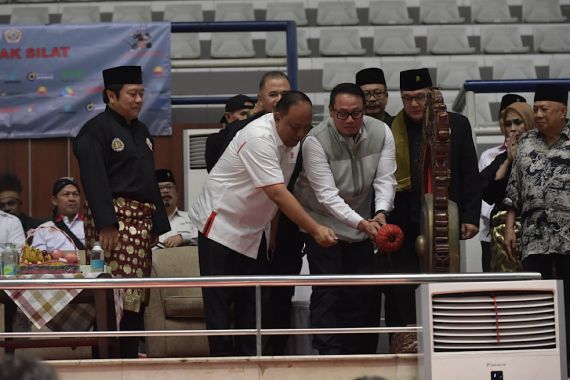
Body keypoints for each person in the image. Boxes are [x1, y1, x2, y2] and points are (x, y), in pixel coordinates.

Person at [189, 91, 338, 357]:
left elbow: (277, 201)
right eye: (295, 127)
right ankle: (224, 370)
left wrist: (273, 237)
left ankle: (253, 366)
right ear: (277, 117)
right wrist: (315, 229)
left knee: (256, 305)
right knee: (220, 307)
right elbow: (278, 192)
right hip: (220, 226)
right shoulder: (258, 136)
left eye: (306, 128)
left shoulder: (293, 143)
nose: (300, 134)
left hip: (255, 232)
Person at [73, 65, 170, 358]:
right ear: (110, 96)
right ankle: (106, 363)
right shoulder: (95, 130)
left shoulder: (141, 131)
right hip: (112, 223)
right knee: (111, 296)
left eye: (141, 93)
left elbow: (148, 181)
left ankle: (129, 359)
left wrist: (158, 224)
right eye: (132, 94)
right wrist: (106, 224)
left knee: (136, 297)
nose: (139, 100)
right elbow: (94, 180)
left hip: (140, 225)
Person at [294, 83, 397, 355]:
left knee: (362, 293)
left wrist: (382, 212)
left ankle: (361, 356)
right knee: (328, 292)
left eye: (356, 113)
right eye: (342, 114)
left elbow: (386, 179)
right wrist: (363, 223)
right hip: (322, 223)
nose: (350, 120)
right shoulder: (314, 141)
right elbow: (327, 196)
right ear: (330, 111)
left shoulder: (382, 131)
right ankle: (329, 357)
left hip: (364, 223)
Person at [386, 68, 481, 349]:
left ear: (432, 95)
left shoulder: (457, 124)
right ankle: (406, 341)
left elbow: (469, 174)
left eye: (421, 97)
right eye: (408, 98)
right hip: (403, 221)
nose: (415, 104)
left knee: (444, 283)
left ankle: (444, 340)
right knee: (402, 286)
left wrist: (470, 216)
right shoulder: (393, 127)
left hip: (444, 219)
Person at [504, 84, 569, 373]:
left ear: (562, 112)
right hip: (534, 236)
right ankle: (543, 368)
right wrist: (509, 227)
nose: (538, 114)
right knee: (539, 306)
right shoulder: (527, 142)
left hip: (569, 237)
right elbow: (514, 190)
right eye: (536, 108)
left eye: (545, 109)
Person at [480, 102, 534, 272]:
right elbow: (489, 193)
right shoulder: (501, 158)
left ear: (529, 123)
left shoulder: (541, 153)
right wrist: (509, 161)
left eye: (518, 122)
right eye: (508, 124)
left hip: (534, 230)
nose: (513, 128)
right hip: (503, 235)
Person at [205, 71, 291, 172]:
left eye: (285, 94)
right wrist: (253, 113)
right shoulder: (246, 129)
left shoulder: (299, 127)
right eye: (273, 94)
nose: (279, 99)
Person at [31, 177, 85, 252]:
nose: (72, 198)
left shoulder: (90, 227)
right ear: (54, 200)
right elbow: (38, 259)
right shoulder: (43, 229)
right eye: (66, 194)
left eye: (75, 194)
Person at [154, 169, 198, 248]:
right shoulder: (149, 221)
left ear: (177, 193)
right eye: (160, 188)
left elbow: (203, 238)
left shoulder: (190, 217)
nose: (165, 191)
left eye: (169, 187)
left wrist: (182, 238)